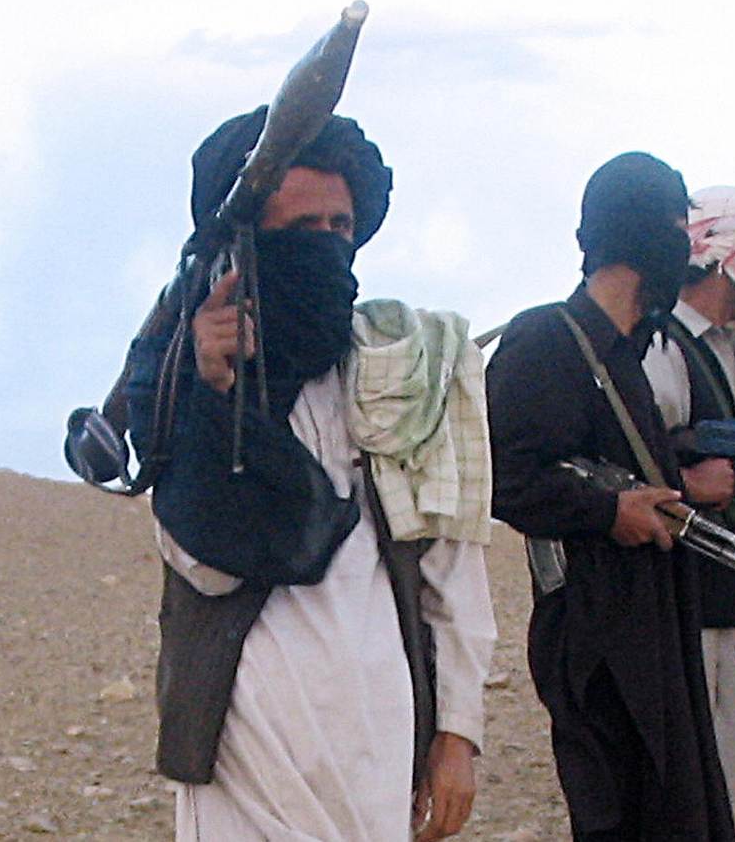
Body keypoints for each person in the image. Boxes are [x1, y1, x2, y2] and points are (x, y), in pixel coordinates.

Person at [134, 107, 496, 841]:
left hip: (378, 729)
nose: (327, 246)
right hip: (246, 731)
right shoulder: (180, 374)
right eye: (303, 229)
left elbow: (452, 565)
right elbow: (203, 564)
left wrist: (457, 733)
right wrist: (217, 391)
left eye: (340, 227)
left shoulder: (401, 372)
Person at [487, 152, 735, 840]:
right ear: (643, 230)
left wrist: (678, 486)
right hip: (594, 638)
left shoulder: (628, 351)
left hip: (655, 624)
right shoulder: (545, 340)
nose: (685, 248)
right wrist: (607, 511)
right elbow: (505, 477)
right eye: (677, 226)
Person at [640, 185, 735, 842]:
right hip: (709, 627)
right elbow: (623, 465)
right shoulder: (661, 347)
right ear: (727, 257)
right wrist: (685, 482)